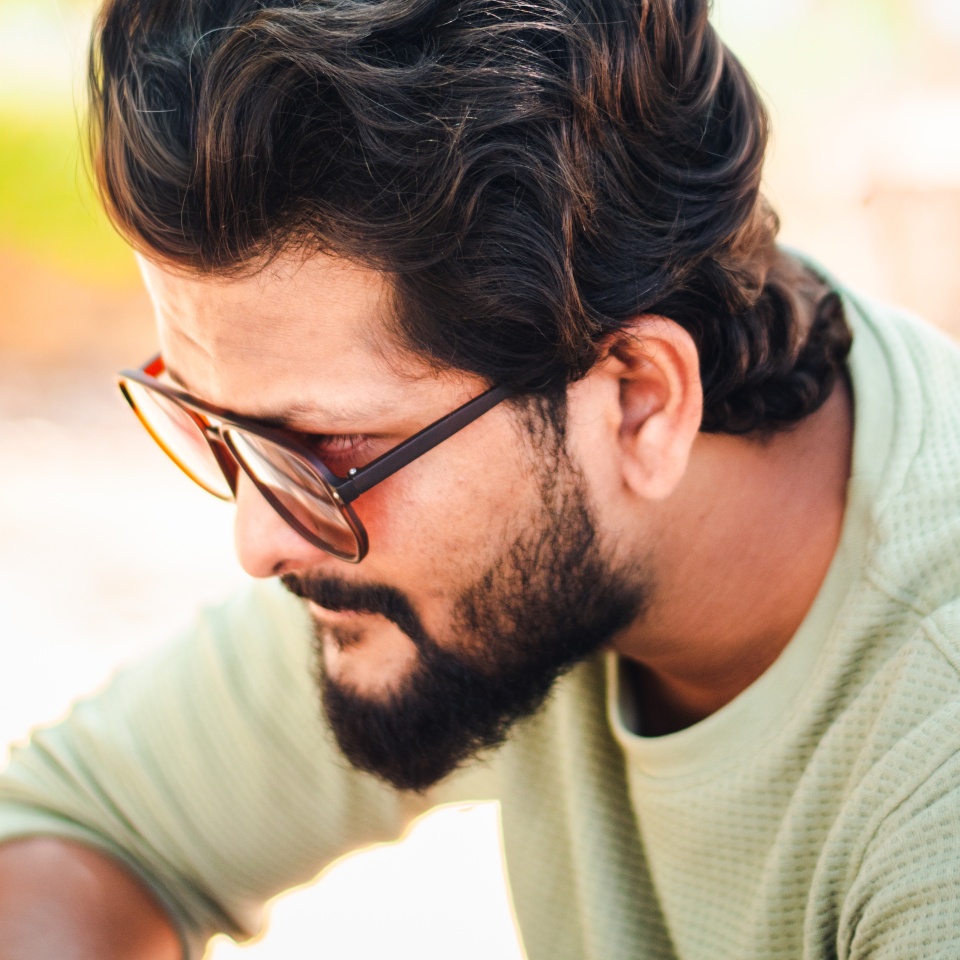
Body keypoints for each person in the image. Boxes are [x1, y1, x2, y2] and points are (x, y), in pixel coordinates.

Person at [2, 0, 960, 957]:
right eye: (209, 419)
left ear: (640, 403)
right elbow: (83, 827)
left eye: (324, 447)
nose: (258, 541)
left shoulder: (933, 771)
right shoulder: (476, 546)